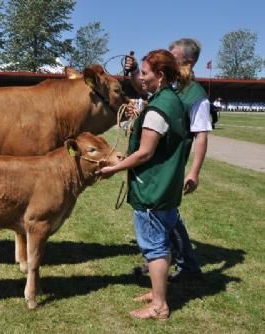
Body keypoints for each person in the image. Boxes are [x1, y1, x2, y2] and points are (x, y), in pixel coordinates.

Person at [100, 49, 187, 320]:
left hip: (152, 188)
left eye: (146, 73)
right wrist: (133, 68)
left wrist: (114, 168)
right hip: (167, 186)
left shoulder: (158, 108)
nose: (141, 78)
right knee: (162, 244)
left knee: (155, 249)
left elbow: (145, 153)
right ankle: (157, 292)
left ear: (160, 76)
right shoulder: (172, 100)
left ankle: (159, 305)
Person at [126, 38, 211, 282]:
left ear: (188, 61)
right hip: (158, 159)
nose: (168, 58)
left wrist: (194, 171)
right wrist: (134, 71)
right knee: (168, 215)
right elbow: (143, 87)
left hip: (169, 162)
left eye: (172, 56)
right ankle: (172, 263)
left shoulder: (195, 94)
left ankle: (171, 263)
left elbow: (201, 136)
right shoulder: (172, 87)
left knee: (161, 213)